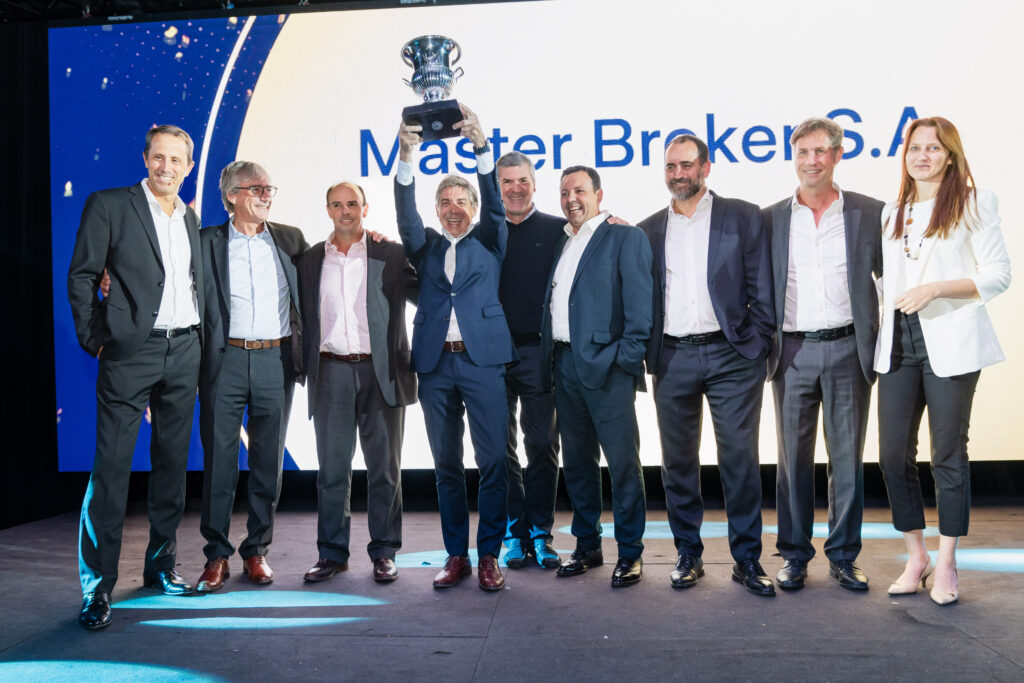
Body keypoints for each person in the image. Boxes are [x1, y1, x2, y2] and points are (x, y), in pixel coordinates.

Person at [68, 125, 203, 630]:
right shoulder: (109, 205)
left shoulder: (190, 217)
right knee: (111, 470)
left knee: (171, 466)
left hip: (184, 349)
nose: (166, 167)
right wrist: (98, 340)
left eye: (176, 160)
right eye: (158, 157)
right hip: (129, 353)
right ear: (146, 159)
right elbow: (83, 275)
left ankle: (160, 567)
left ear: (188, 167)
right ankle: (97, 587)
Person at [876, 116, 1011, 606]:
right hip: (898, 343)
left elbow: (998, 275)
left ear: (950, 156)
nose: (923, 156)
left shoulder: (975, 202)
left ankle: (948, 560)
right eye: (915, 148)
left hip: (951, 342)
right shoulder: (892, 212)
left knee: (948, 455)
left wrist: (936, 289)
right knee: (892, 455)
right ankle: (917, 557)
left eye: (934, 148)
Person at [638, 134, 775, 596]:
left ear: (706, 167)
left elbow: (762, 287)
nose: (678, 174)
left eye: (686, 165)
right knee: (678, 462)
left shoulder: (742, 216)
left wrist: (759, 344)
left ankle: (747, 559)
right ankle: (688, 554)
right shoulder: (648, 229)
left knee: (739, 459)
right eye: (670, 167)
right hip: (672, 356)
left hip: (732, 356)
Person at [395, 105, 515, 591]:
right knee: (446, 466)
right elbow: (406, 214)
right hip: (435, 367)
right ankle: (456, 555)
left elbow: (495, 202)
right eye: (444, 200)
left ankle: (488, 555)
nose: (453, 207)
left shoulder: (490, 238)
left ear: (474, 205)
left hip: (483, 362)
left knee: (493, 463)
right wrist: (406, 156)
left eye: (461, 199)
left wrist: (482, 148)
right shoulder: (423, 245)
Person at [761, 118, 883, 591]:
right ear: (794, 157)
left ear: (837, 155)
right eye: (803, 152)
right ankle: (794, 555)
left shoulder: (869, 213)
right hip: (791, 353)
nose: (811, 161)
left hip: (849, 349)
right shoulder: (771, 218)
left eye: (820, 151)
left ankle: (844, 556)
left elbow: (894, 276)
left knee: (847, 461)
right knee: (792, 462)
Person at [193, 161, 308, 592]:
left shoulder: (290, 239)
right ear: (232, 196)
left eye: (269, 188)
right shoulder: (205, 241)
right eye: (256, 188)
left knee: (267, 462)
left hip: (275, 360)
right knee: (220, 462)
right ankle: (216, 555)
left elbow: (328, 268)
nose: (266, 195)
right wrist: (112, 279)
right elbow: (165, 277)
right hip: (223, 361)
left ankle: (257, 549)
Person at [299, 181, 417, 584]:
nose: (345, 211)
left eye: (353, 204)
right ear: (327, 210)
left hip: (381, 372)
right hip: (330, 370)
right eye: (337, 204)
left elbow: (430, 291)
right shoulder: (311, 259)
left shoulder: (391, 253)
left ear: (365, 209)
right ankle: (332, 553)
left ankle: (384, 551)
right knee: (332, 470)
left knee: (385, 469)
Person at [540, 165, 653, 588]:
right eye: (564, 192)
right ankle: (587, 545)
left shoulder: (625, 237)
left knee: (623, 465)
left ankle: (630, 552)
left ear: (598, 194)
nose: (571, 199)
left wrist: (623, 361)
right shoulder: (563, 242)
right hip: (564, 365)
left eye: (580, 191)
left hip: (608, 369)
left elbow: (640, 310)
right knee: (578, 464)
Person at [495, 151, 564, 569]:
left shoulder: (559, 230)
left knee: (541, 445)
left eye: (522, 180)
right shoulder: (484, 233)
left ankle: (541, 533)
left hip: (539, 353)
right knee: (500, 450)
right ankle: (514, 534)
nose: (516, 188)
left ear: (535, 184)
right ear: (496, 187)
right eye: (507, 181)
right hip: (492, 357)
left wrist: (613, 223)